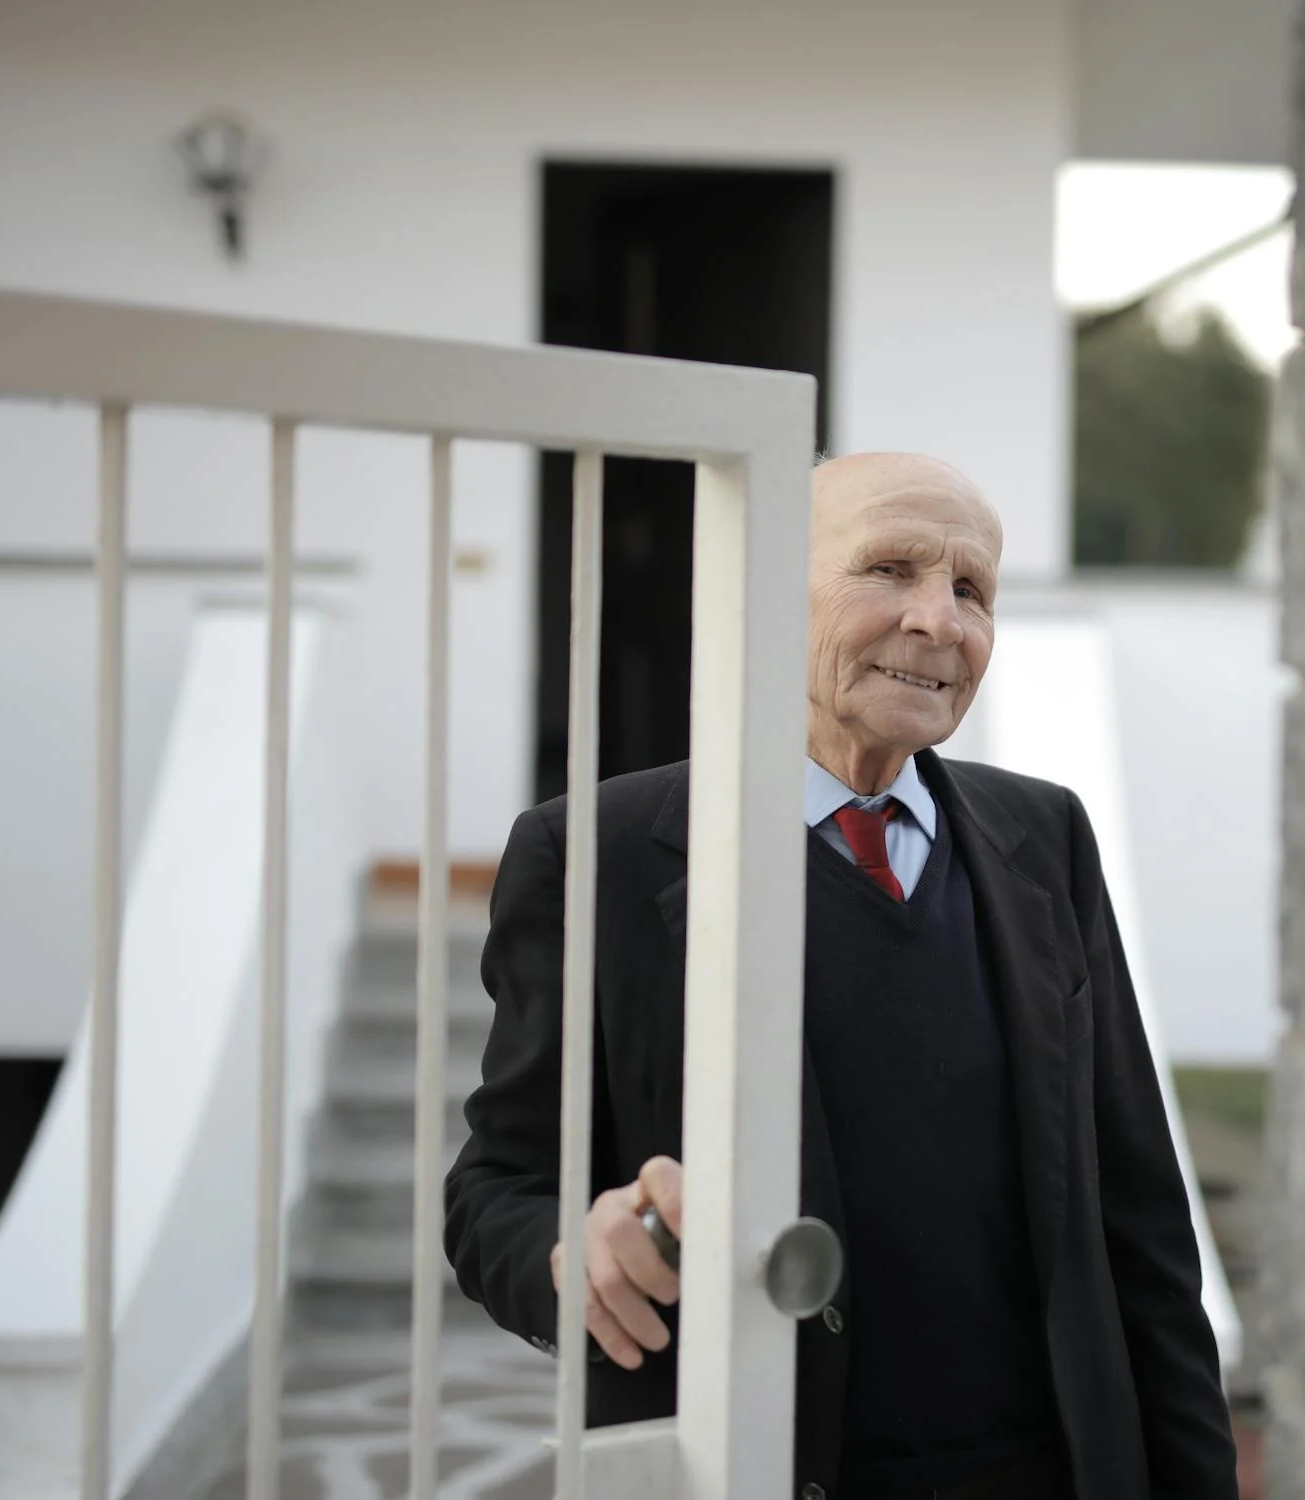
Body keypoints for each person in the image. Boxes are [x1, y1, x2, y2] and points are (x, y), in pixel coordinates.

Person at [444, 452, 1238, 1500]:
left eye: (972, 591)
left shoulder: (1044, 838)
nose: (940, 621)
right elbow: (495, 1190)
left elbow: (1141, 1220)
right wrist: (568, 1252)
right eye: (891, 569)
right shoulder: (598, 853)